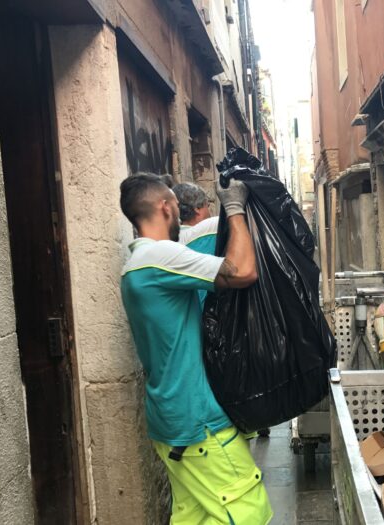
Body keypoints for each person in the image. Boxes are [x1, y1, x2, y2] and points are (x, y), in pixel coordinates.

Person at [119, 174, 272, 524]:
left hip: (170, 419)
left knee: (195, 518)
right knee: (248, 511)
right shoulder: (161, 256)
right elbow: (244, 271)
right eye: (174, 202)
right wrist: (233, 207)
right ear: (166, 206)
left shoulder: (135, 267)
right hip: (199, 421)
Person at [173, 182, 272, 439]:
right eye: (207, 206)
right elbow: (245, 266)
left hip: (188, 338)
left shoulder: (168, 246)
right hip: (223, 332)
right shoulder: (211, 230)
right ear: (198, 209)